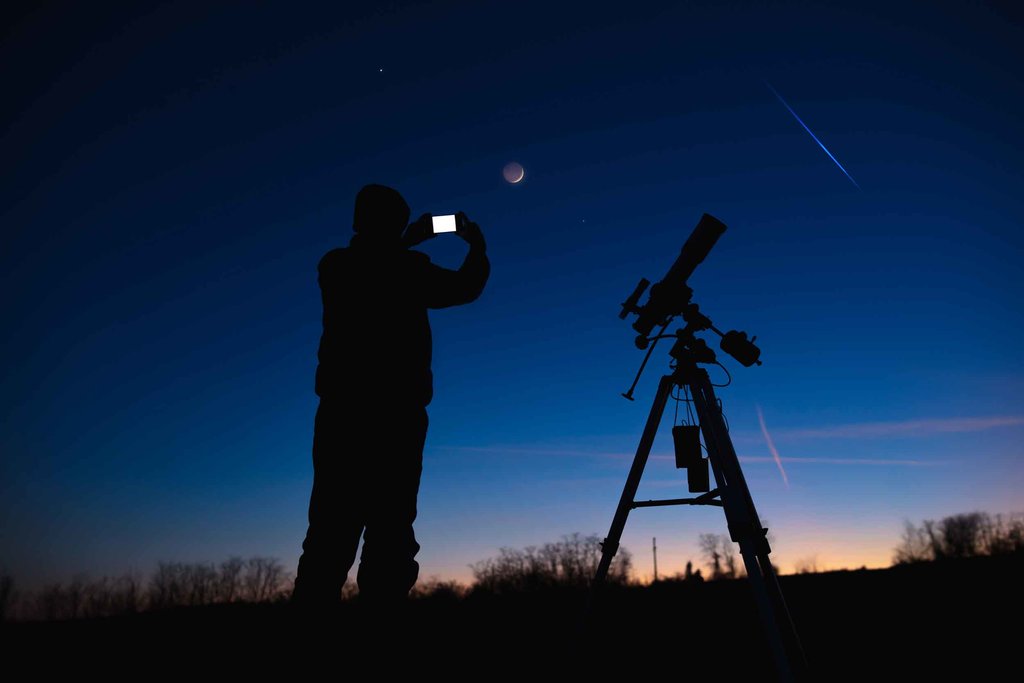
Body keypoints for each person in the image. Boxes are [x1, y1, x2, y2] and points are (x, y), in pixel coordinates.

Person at [291, 184, 489, 610]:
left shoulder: (336, 266)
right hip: (395, 420)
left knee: (330, 535)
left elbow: (376, 261)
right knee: (389, 534)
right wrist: (476, 247)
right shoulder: (407, 270)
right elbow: (464, 288)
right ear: (395, 225)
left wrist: (403, 240)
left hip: (341, 417)